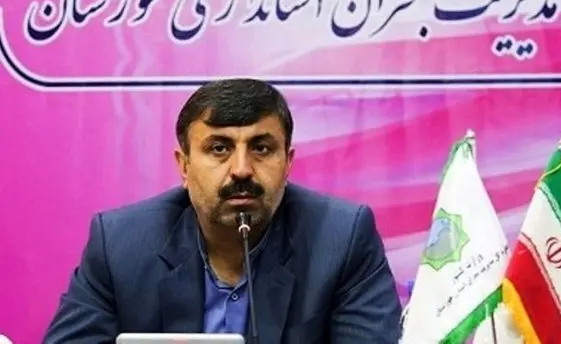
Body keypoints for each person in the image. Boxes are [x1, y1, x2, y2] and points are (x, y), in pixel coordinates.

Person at [44, 78, 402, 343]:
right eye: (219, 148)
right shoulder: (120, 244)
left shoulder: (341, 239)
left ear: (288, 162)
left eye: (261, 148)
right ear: (184, 165)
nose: (242, 169)